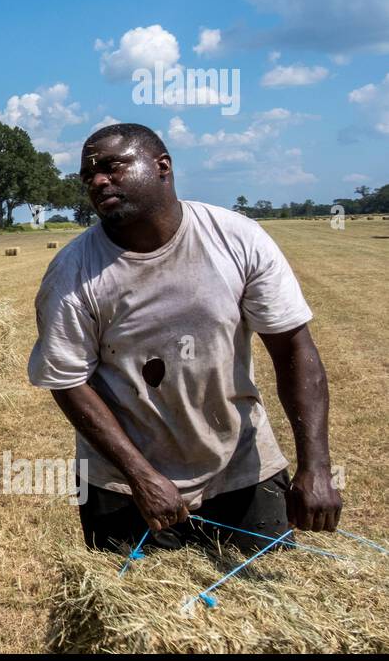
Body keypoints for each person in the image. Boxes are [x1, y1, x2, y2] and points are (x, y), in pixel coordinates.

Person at [28, 123, 341, 555]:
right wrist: (140, 476)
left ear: (162, 167)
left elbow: (293, 349)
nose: (98, 181)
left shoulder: (236, 238)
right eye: (88, 176)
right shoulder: (71, 273)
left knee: (260, 612)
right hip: (123, 485)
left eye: (112, 167)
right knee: (139, 618)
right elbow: (67, 382)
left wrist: (316, 467)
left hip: (242, 468)